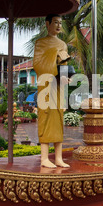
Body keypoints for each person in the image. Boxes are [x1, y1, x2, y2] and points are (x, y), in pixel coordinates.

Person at [33, 14, 70, 168]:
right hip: (46, 86)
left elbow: (64, 66)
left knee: (59, 120)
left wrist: (65, 77)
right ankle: (44, 158)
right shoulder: (40, 43)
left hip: (58, 87)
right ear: (48, 24)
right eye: (55, 22)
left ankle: (59, 158)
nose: (58, 25)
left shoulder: (63, 44)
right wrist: (54, 58)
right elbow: (37, 64)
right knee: (46, 118)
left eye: (60, 23)